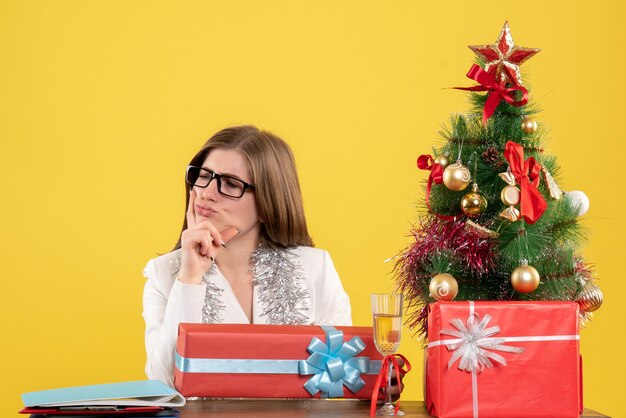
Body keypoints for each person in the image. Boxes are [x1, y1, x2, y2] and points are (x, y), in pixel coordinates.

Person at [142, 126, 352, 387]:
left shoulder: (315, 268)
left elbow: (341, 377)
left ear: (267, 204)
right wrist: (190, 278)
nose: (206, 193)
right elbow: (163, 385)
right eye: (203, 176)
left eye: (231, 184)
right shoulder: (163, 274)